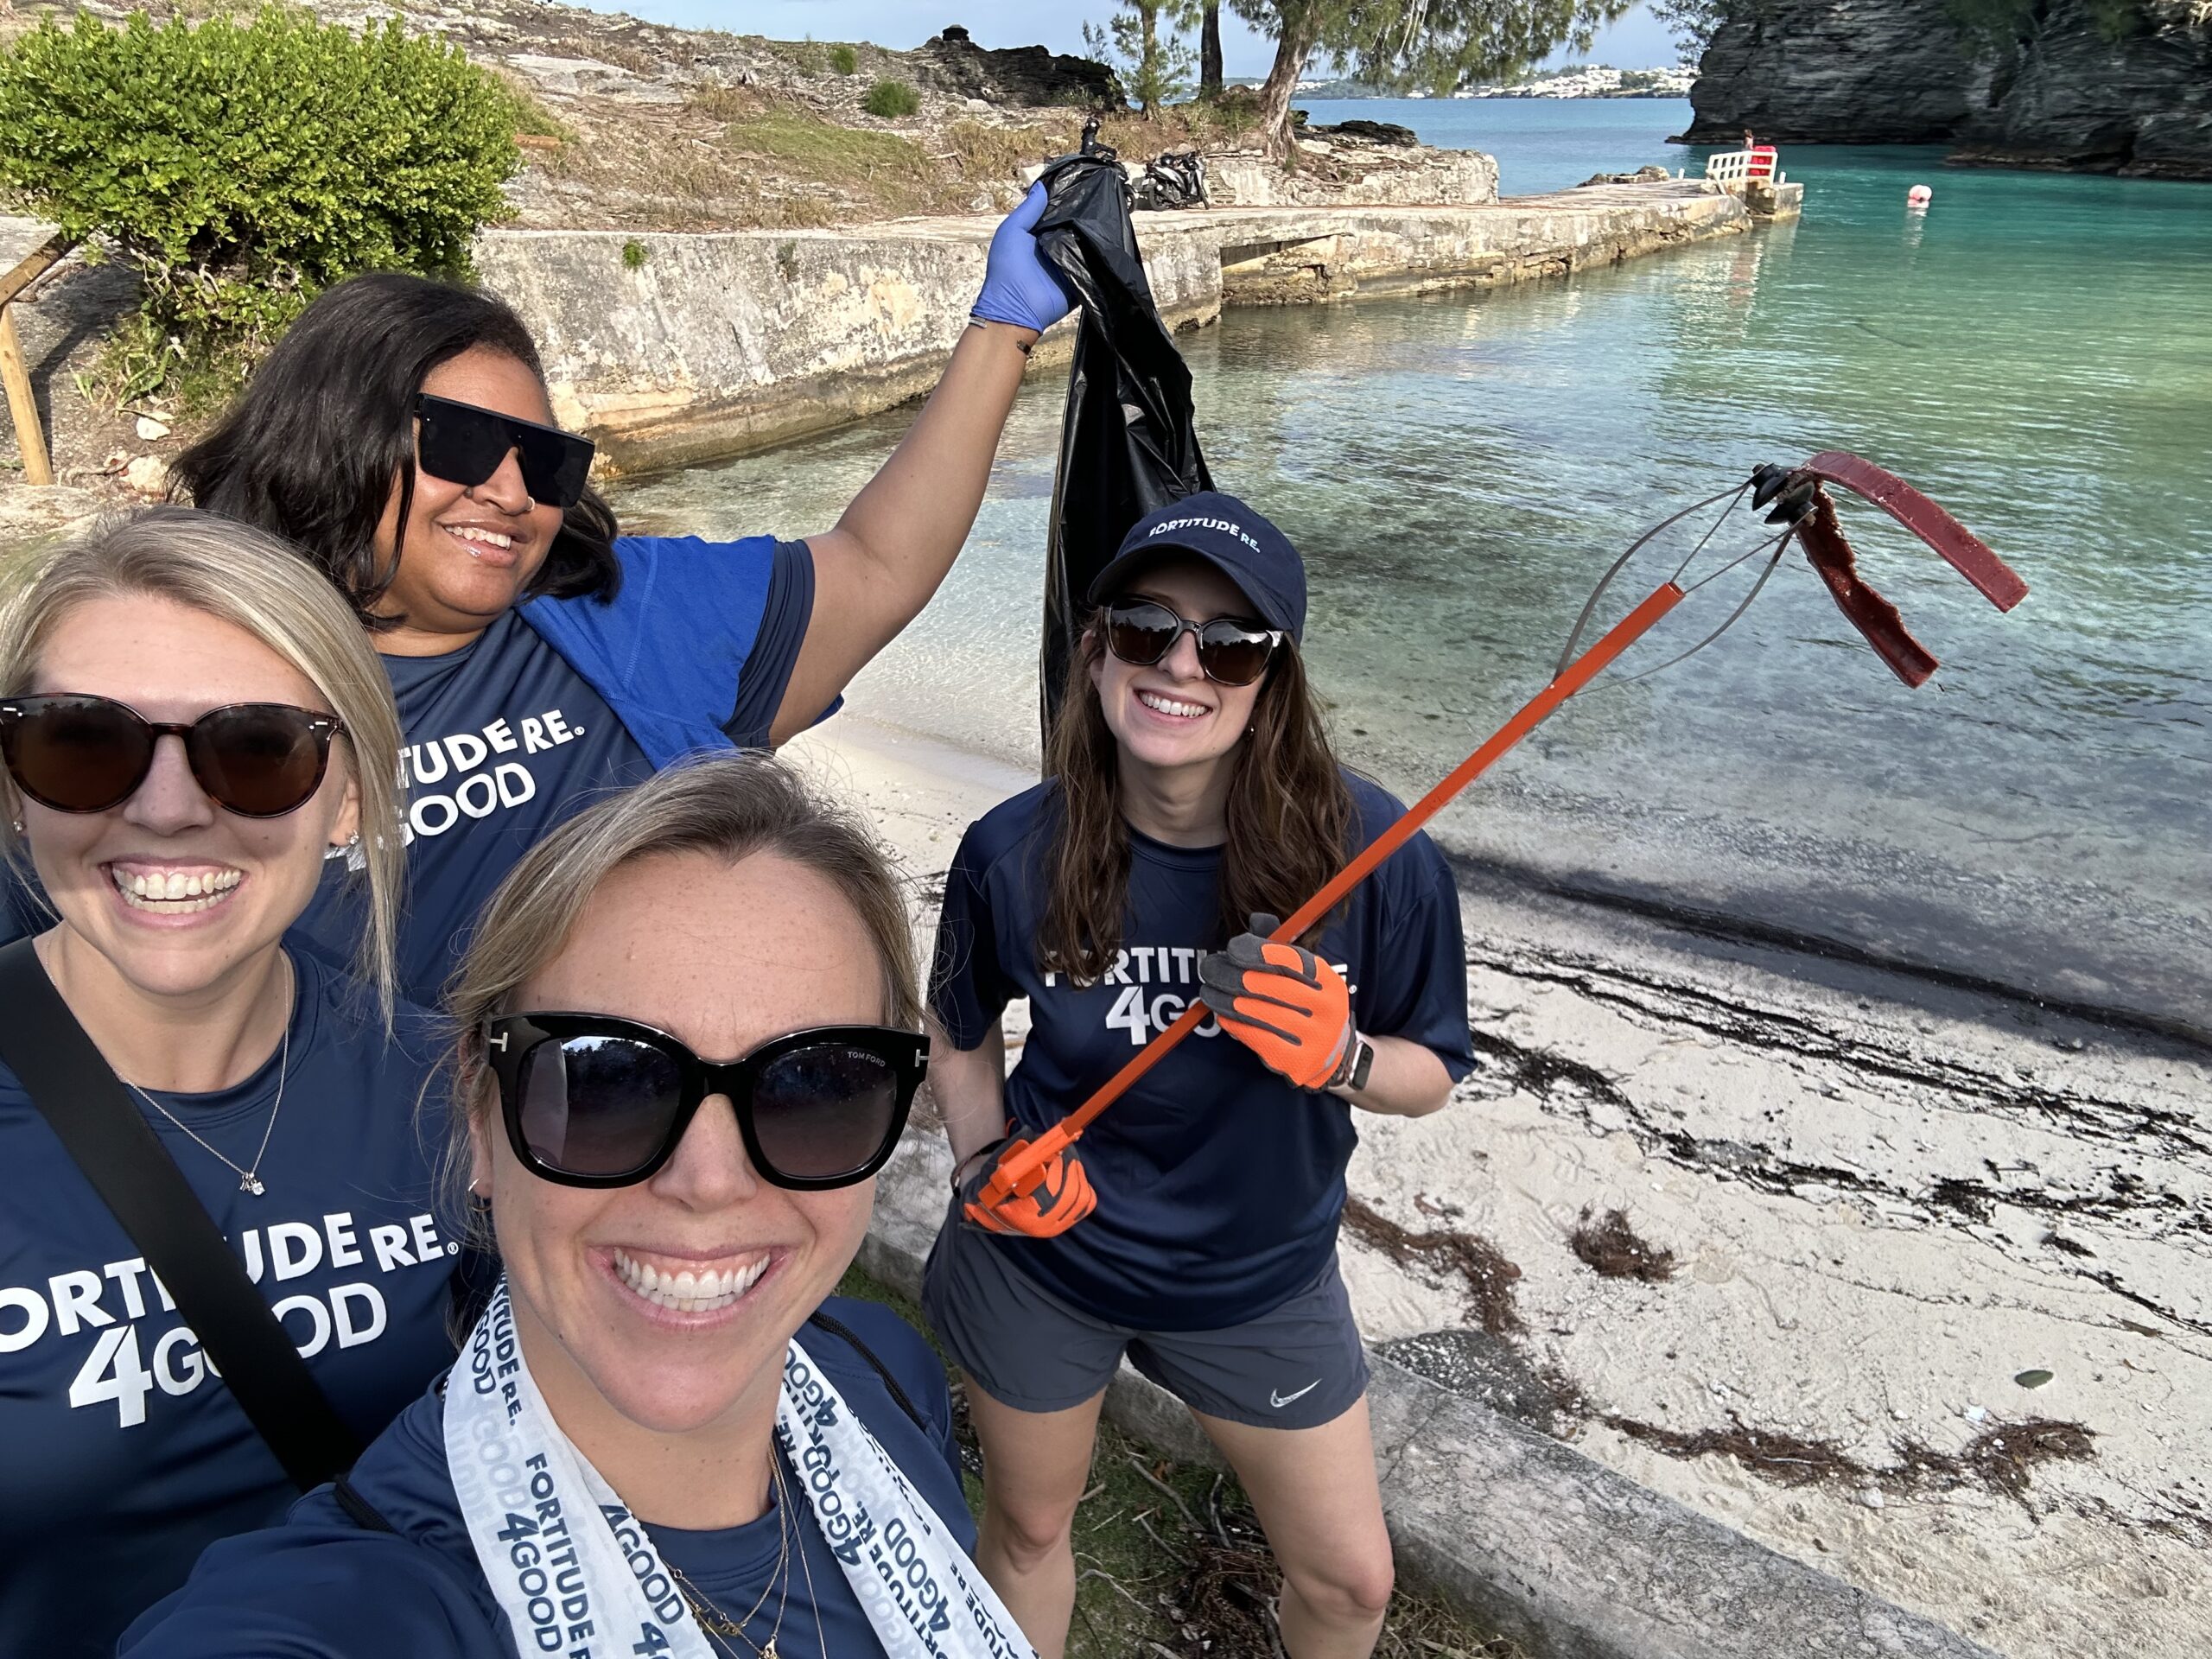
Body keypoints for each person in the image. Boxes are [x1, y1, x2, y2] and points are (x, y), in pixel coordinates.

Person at [0, 188, 1076, 998]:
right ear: (338, 438)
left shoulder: (617, 618)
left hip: (586, 1173)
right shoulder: (192, 681)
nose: (509, 491)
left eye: (545, 460)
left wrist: (1003, 325)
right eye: (462, 443)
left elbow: (874, 569)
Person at [125, 754, 1034, 1659]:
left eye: (814, 1085)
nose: (708, 1180)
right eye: (605, 1080)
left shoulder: (884, 1375)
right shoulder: (357, 1609)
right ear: (481, 1122)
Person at [922, 493, 1475, 1659]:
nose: (1183, 665)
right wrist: (981, 1160)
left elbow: (1434, 1071)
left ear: (1275, 678)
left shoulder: (1376, 860)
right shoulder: (1011, 850)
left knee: (1349, 1581)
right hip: (1046, 1258)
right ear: (1095, 648)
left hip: (1256, 1275)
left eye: (1230, 643)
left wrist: (1346, 1059)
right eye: (1145, 628)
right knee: (1027, 1526)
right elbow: (960, 1024)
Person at [0, 509, 458, 1658]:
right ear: (15, 786)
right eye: (80, 743)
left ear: (349, 794)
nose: (163, 809)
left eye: (257, 749)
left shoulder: (450, 1094)